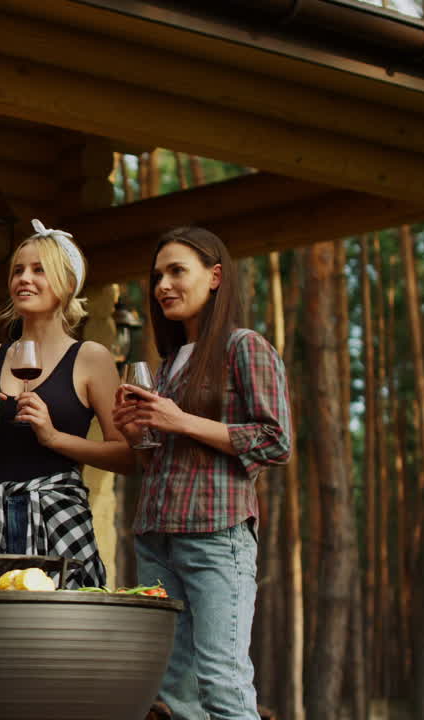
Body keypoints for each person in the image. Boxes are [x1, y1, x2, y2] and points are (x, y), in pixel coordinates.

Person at [112, 226, 291, 720]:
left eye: (176, 272)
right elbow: (160, 460)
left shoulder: (244, 347)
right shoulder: (169, 363)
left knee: (222, 682)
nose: (163, 285)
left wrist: (179, 419)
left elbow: (276, 441)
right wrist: (135, 434)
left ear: (214, 277)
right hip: (156, 539)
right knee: (176, 694)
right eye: (157, 276)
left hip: (216, 535)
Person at [0, 219, 134, 589]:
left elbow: (127, 456)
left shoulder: (90, 358)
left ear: (68, 284)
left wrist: (54, 438)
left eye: (39, 270)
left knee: (62, 637)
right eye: (18, 270)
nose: (24, 278)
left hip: (61, 522)